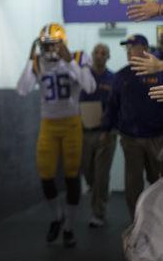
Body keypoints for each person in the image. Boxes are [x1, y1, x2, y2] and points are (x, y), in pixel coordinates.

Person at [16, 24, 96, 247]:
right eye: (45, 44)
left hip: (71, 123)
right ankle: (57, 216)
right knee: (46, 174)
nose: (49, 49)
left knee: (71, 176)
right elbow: (22, 90)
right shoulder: (38, 62)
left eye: (53, 44)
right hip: (48, 124)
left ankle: (69, 227)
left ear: (62, 43)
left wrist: (70, 61)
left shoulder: (79, 57)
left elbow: (90, 87)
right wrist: (29, 60)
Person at [102, 35, 163, 218]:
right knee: (133, 185)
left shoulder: (158, 72)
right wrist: (106, 129)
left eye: (133, 46)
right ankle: (136, 224)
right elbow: (112, 105)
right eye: (126, 47)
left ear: (145, 49)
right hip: (131, 140)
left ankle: (157, 225)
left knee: (158, 184)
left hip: (157, 138)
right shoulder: (122, 75)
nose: (129, 50)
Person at [79, 43, 116, 228]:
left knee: (101, 173)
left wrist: (110, 127)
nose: (99, 56)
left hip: (106, 133)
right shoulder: (83, 77)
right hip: (84, 131)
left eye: (104, 53)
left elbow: (117, 105)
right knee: (88, 171)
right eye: (96, 52)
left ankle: (98, 212)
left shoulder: (113, 79)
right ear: (92, 55)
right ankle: (98, 190)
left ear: (108, 57)